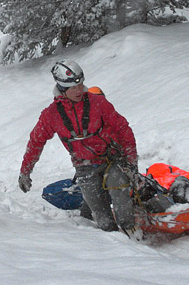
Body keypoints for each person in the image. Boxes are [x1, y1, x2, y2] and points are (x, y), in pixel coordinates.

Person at [18, 60, 141, 238]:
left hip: (113, 159)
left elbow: (123, 129)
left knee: (118, 189)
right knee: (101, 215)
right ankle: (115, 244)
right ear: (62, 89)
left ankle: (133, 231)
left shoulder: (98, 103)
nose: (79, 90)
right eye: (73, 88)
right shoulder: (51, 115)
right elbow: (36, 142)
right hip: (84, 166)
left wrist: (131, 161)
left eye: (81, 85)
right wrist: (25, 172)